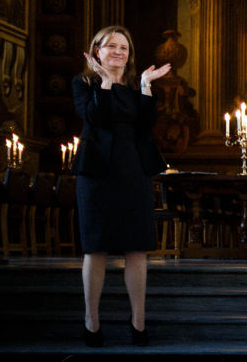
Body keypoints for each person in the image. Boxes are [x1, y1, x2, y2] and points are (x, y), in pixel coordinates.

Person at [72, 26, 170, 347]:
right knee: (96, 247)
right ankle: (92, 321)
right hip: (97, 174)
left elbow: (147, 124)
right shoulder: (84, 83)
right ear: (96, 51)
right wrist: (104, 83)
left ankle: (138, 322)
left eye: (124, 48)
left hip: (133, 172)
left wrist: (144, 85)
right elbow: (95, 118)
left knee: (137, 248)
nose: (118, 52)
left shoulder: (132, 88)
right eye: (111, 46)